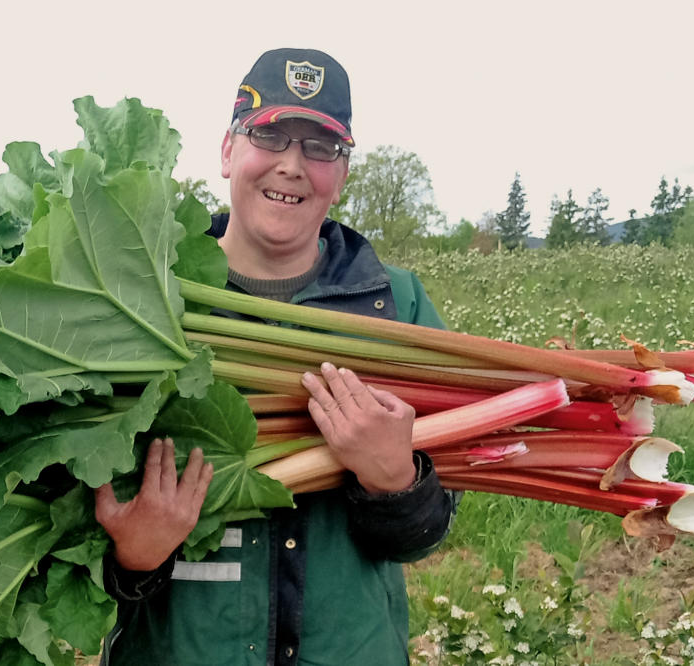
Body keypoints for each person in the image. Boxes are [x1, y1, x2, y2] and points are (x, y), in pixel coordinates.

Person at [95, 48, 459, 665]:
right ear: (227, 150)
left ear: (342, 174)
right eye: (270, 135)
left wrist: (396, 482)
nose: (293, 166)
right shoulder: (143, 298)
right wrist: (132, 555)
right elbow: (72, 519)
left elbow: (426, 535)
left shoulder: (397, 307)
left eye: (321, 148)